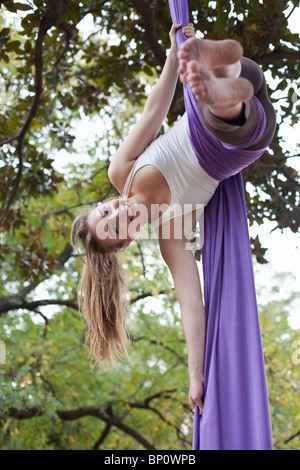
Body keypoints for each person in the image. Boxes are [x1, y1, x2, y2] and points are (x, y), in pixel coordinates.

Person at [71, 23, 276, 417]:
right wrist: (195, 373)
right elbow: (191, 303)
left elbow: (155, 109)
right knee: (223, 117)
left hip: (231, 93)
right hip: (242, 136)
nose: (118, 212)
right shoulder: (171, 232)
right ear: (128, 240)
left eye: (106, 209)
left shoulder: (123, 172)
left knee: (238, 75)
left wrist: (172, 52)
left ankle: (218, 71)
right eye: (115, 227)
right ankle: (220, 89)